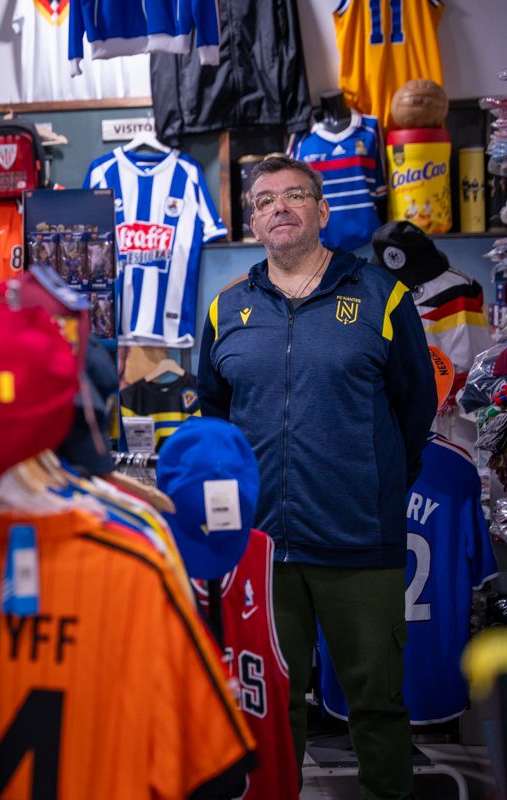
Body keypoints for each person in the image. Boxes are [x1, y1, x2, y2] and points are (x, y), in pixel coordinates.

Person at [197, 155, 434, 800]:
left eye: (295, 195)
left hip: (360, 542)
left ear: (322, 211)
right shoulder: (226, 309)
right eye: (266, 199)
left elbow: (416, 411)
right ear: (253, 221)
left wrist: (374, 488)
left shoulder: (383, 298)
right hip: (262, 551)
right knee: (270, 708)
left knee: (378, 706)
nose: (280, 207)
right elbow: (215, 422)